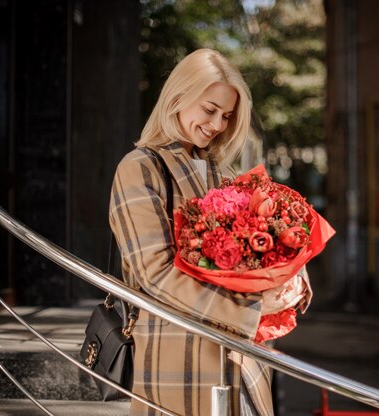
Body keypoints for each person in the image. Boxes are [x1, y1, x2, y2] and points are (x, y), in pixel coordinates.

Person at [109, 48, 311, 416]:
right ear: (178, 96)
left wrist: (292, 280)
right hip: (177, 353)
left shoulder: (224, 172)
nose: (218, 124)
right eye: (209, 109)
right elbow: (153, 273)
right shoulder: (139, 168)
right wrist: (250, 307)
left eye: (227, 116)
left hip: (241, 357)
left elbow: (264, 244)